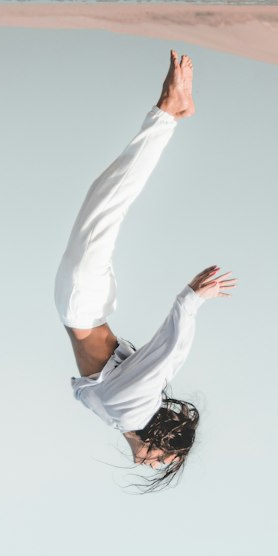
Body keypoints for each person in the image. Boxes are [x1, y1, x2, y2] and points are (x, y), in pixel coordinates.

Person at [54, 51, 236, 490]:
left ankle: (169, 111)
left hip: (90, 305)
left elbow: (164, 364)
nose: (152, 465)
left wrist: (190, 304)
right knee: (111, 196)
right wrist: (189, 301)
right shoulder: (132, 411)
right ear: (159, 439)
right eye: (162, 460)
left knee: (107, 195)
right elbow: (166, 353)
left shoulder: (126, 418)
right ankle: (170, 110)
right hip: (82, 303)